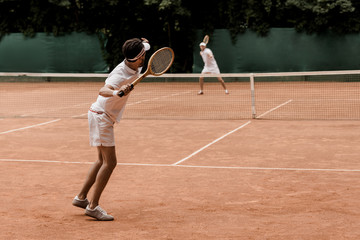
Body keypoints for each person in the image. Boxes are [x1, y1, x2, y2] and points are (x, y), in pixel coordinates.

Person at [72, 38, 150, 221]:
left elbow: (140, 46)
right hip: (102, 116)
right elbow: (103, 90)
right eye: (143, 54)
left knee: (101, 160)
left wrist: (142, 41)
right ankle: (92, 206)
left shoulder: (134, 62)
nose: (145, 56)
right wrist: (117, 92)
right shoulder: (119, 74)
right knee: (110, 162)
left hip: (99, 114)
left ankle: (81, 197)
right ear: (137, 58)